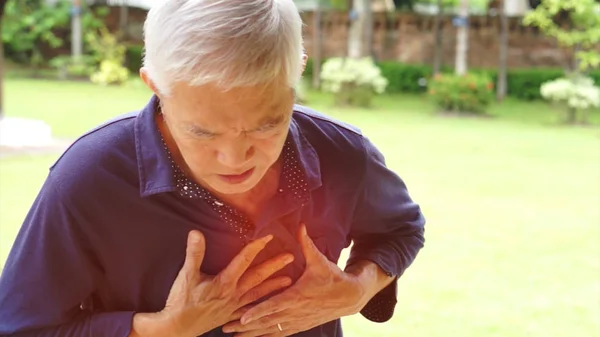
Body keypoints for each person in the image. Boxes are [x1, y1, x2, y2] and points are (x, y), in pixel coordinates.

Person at [0, 1, 425, 336]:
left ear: (298, 72)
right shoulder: (91, 178)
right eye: (203, 133)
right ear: (155, 87)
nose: (236, 158)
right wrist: (159, 330)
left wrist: (358, 290)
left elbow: (400, 229)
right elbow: (20, 327)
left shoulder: (343, 154)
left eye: (268, 124)